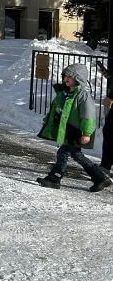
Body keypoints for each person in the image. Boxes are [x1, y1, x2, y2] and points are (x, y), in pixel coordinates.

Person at [37, 63, 112, 191]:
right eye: (65, 76)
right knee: (76, 155)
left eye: (69, 77)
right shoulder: (65, 93)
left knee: (64, 152)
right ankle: (100, 178)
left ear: (78, 79)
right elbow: (56, 109)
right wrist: (48, 121)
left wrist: (87, 133)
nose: (66, 79)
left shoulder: (83, 95)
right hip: (68, 130)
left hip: (77, 131)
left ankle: (55, 178)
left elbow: (88, 116)